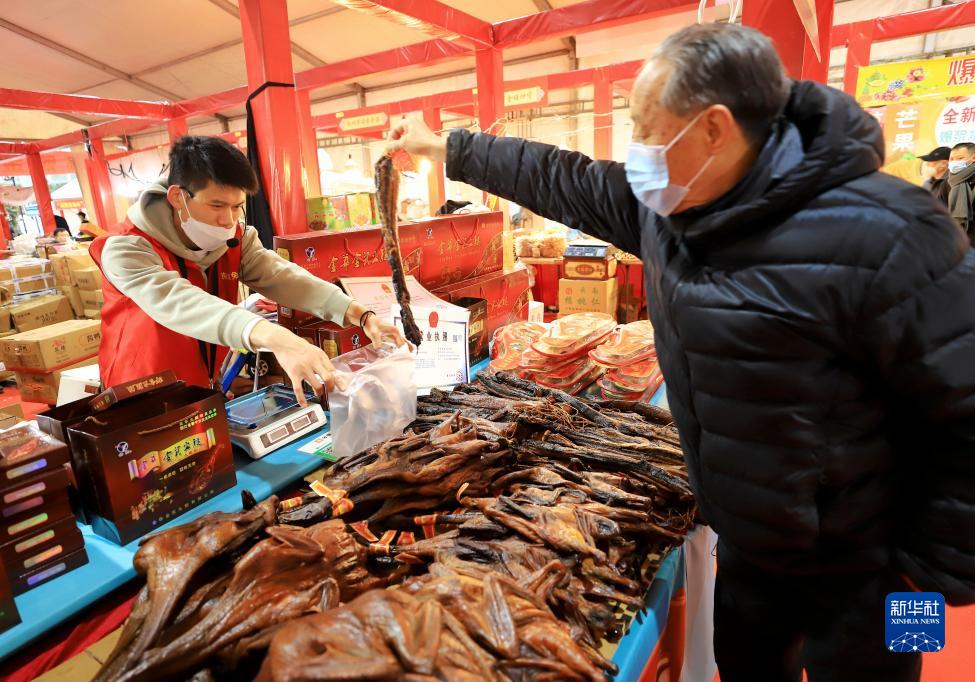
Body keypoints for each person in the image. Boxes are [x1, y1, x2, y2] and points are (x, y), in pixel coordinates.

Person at [388, 23, 974, 682]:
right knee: (747, 669)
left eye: (646, 128)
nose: (635, 148)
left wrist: (927, 577)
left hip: (874, 567)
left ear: (714, 127)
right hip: (749, 549)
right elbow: (561, 177)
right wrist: (445, 147)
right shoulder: (668, 209)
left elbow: (965, 410)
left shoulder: (895, 230)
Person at [91, 135, 406, 406]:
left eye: (236, 206)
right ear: (178, 197)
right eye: (217, 206)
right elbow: (179, 302)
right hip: (138, 394)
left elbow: (281, 276)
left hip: (201, 385)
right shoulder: (127, 248)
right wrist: (275, 337)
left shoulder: (235, 239)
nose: (227, 220)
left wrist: (357, 313)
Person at [947, 141, 975, 240]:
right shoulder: (948, 182)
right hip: (957, 237)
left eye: (960, 158)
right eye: (951, 159)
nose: (954, 162)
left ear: (973, 158)